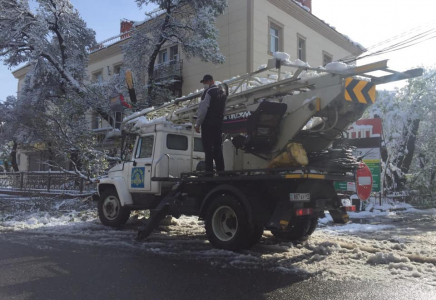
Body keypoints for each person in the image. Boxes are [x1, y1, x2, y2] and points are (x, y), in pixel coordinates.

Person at [195, 74, 226, 173]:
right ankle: (220, 170)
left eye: (204, 82)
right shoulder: (222, 92)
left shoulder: (207, 92)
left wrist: (198, 124)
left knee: (208, 148)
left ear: (210, 81)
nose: (204, 85)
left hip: (208, 123)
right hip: (218, 123)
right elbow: (224, 109)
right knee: (217, 147)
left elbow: (202, 110)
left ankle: (209, 172)